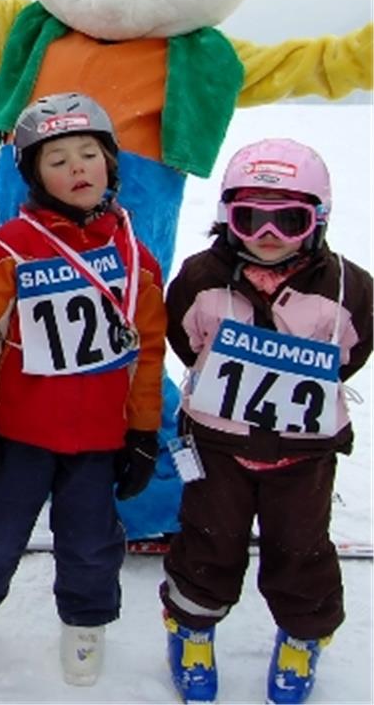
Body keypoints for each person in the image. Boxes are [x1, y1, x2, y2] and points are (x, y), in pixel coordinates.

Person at [0, 92, 166, 687]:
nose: (77, 170)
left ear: (111, 163)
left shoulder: (134, 257)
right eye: (57, 160)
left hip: (99, 438)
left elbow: (145, 351)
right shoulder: (9, 249)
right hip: (19, 433)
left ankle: (86, 627)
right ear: (34, 176)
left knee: (92, 542)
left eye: (88, 155)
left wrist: (144, 429)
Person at [159, 138, 372, 705]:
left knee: (302, 548)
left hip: (302, 457)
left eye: (290, 221)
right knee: (208, 541)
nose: (268, 235)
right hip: (217, 447)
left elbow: (351, 352)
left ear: (318, 220)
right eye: (249, 218)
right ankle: (193, 628)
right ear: (227, 217)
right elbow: (186, 339)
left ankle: (303, 635)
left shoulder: (350, 289)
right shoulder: (202, 278)